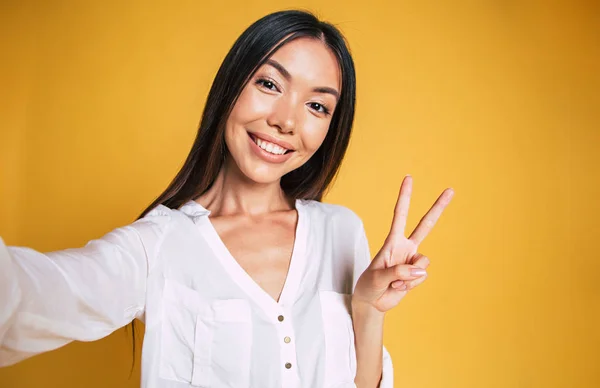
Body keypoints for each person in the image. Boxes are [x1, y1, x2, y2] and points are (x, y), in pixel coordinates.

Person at [0, 9, 454, 388]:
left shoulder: (341, 231)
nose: (286, 121)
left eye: (317, 106)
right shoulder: (157, 245)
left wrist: (367, 311)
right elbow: (28, 295)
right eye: (269, 85)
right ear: (231, 87)